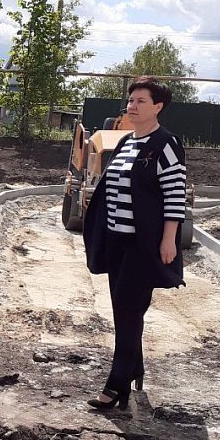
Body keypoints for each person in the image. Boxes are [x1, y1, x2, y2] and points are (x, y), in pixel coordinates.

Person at [82, 76, 186, 411]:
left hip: (142, 246)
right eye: (130, 100)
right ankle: (133, 369)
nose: (133, 106)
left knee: (128, 312)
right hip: (117, 242)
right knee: (124, 310)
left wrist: (169, 240)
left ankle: (116, 385)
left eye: (141, 101)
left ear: (158, 107)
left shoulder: (166, 144)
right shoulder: (126, 142)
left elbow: (174, 196)